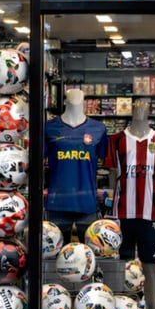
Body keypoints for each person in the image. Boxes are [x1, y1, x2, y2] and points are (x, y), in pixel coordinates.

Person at [104, 99, 155, 309]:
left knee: (150, 264)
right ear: (130, 110)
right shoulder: (117, 140)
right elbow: (113, 174)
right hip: (121, 213)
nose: (140, 109)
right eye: (136, 106)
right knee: (119, 263)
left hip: (150, 213)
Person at [44, 88, 108, 242]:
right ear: (65, 102)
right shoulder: (49, 128)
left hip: (87, 204)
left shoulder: (99, 129)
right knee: (54, 258)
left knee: (91, 255)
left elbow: (106, 163)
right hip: (57, 204)